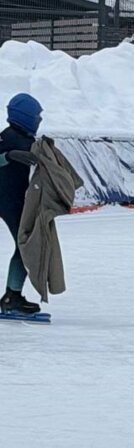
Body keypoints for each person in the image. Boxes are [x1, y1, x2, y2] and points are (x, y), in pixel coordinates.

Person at [0, 93, 43, 315]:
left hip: (12, 199)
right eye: (38, 115)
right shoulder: (8, 137)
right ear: (27, 116)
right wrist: (10, 155)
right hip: (7, 200)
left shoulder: (24, 139)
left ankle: (12, 295)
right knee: (26, 245)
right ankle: (12, 296)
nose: (40, 120)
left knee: (24, 245)